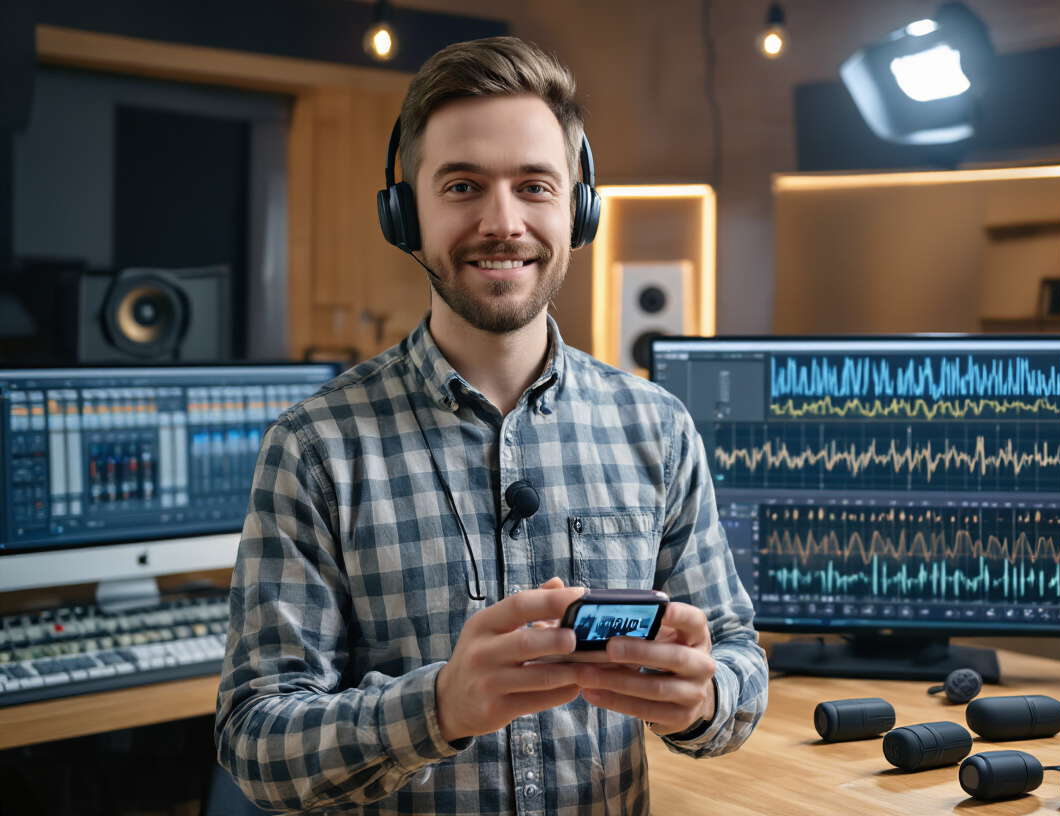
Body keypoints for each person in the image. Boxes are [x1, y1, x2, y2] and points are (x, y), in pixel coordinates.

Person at [214, 36, 768, 814]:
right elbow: (253, 740)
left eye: (535, 186)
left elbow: (738, 652)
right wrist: (438, 708)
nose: (502, 223)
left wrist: (708, 700)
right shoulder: (313, 448)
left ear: (578, 208)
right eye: (463, 185)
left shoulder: (659, 428)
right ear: (405, 213)